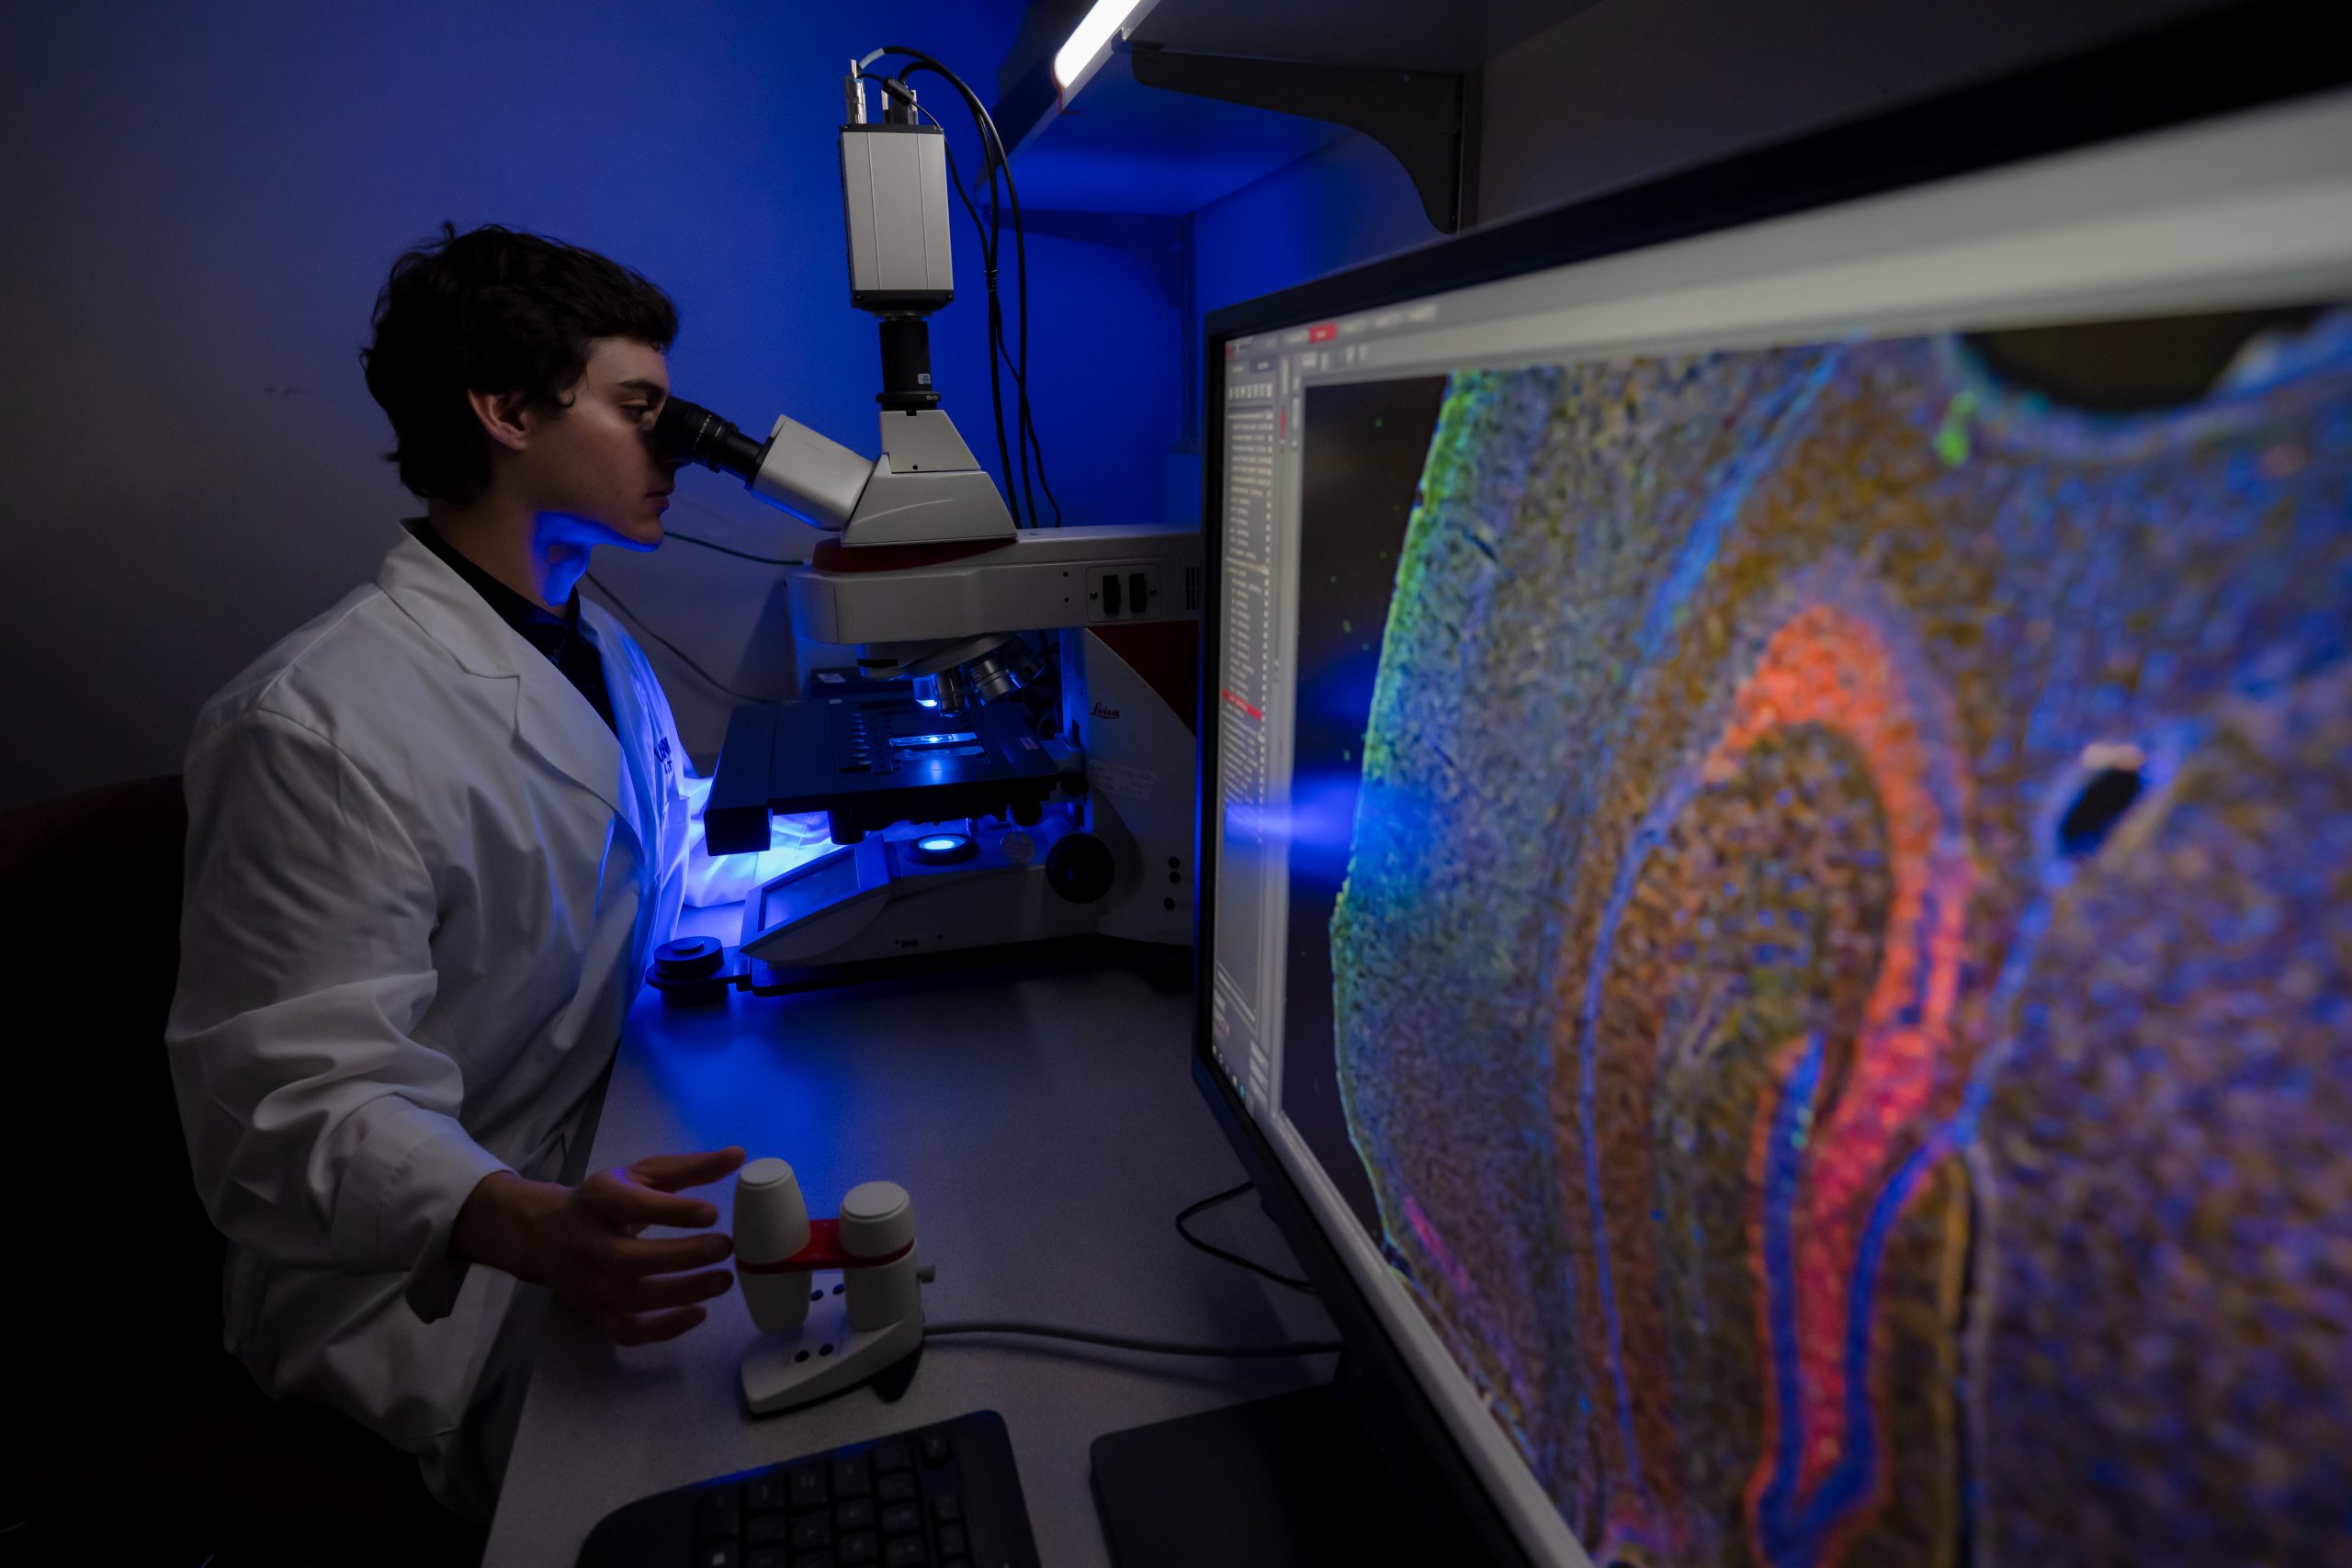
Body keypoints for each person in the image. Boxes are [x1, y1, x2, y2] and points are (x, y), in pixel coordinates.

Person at [166, 222, 775, 1523]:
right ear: (505, 411)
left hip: (599, 1151)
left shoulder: (590, 639)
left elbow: (655, 874)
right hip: (430, 1287)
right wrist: (520, 1224)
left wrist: (893, 840)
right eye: (639, 409)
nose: (673, 448)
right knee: (753, 1462)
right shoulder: (312, 724)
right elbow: (285, 1116)